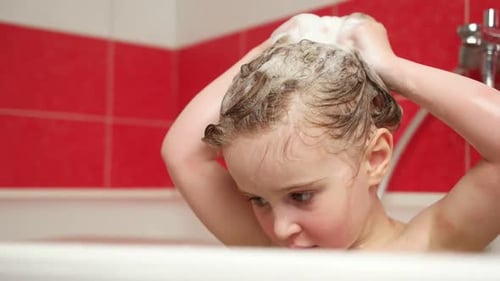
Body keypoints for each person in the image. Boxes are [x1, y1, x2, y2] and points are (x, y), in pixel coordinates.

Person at [162, 13, 500, 251]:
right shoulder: (273, 249)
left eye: (301, 196)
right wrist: (270, 49)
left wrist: (391, 69)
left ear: (377, 158)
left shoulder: (427, 248)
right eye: (259, 200)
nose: (280, 228)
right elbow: (183, 154)